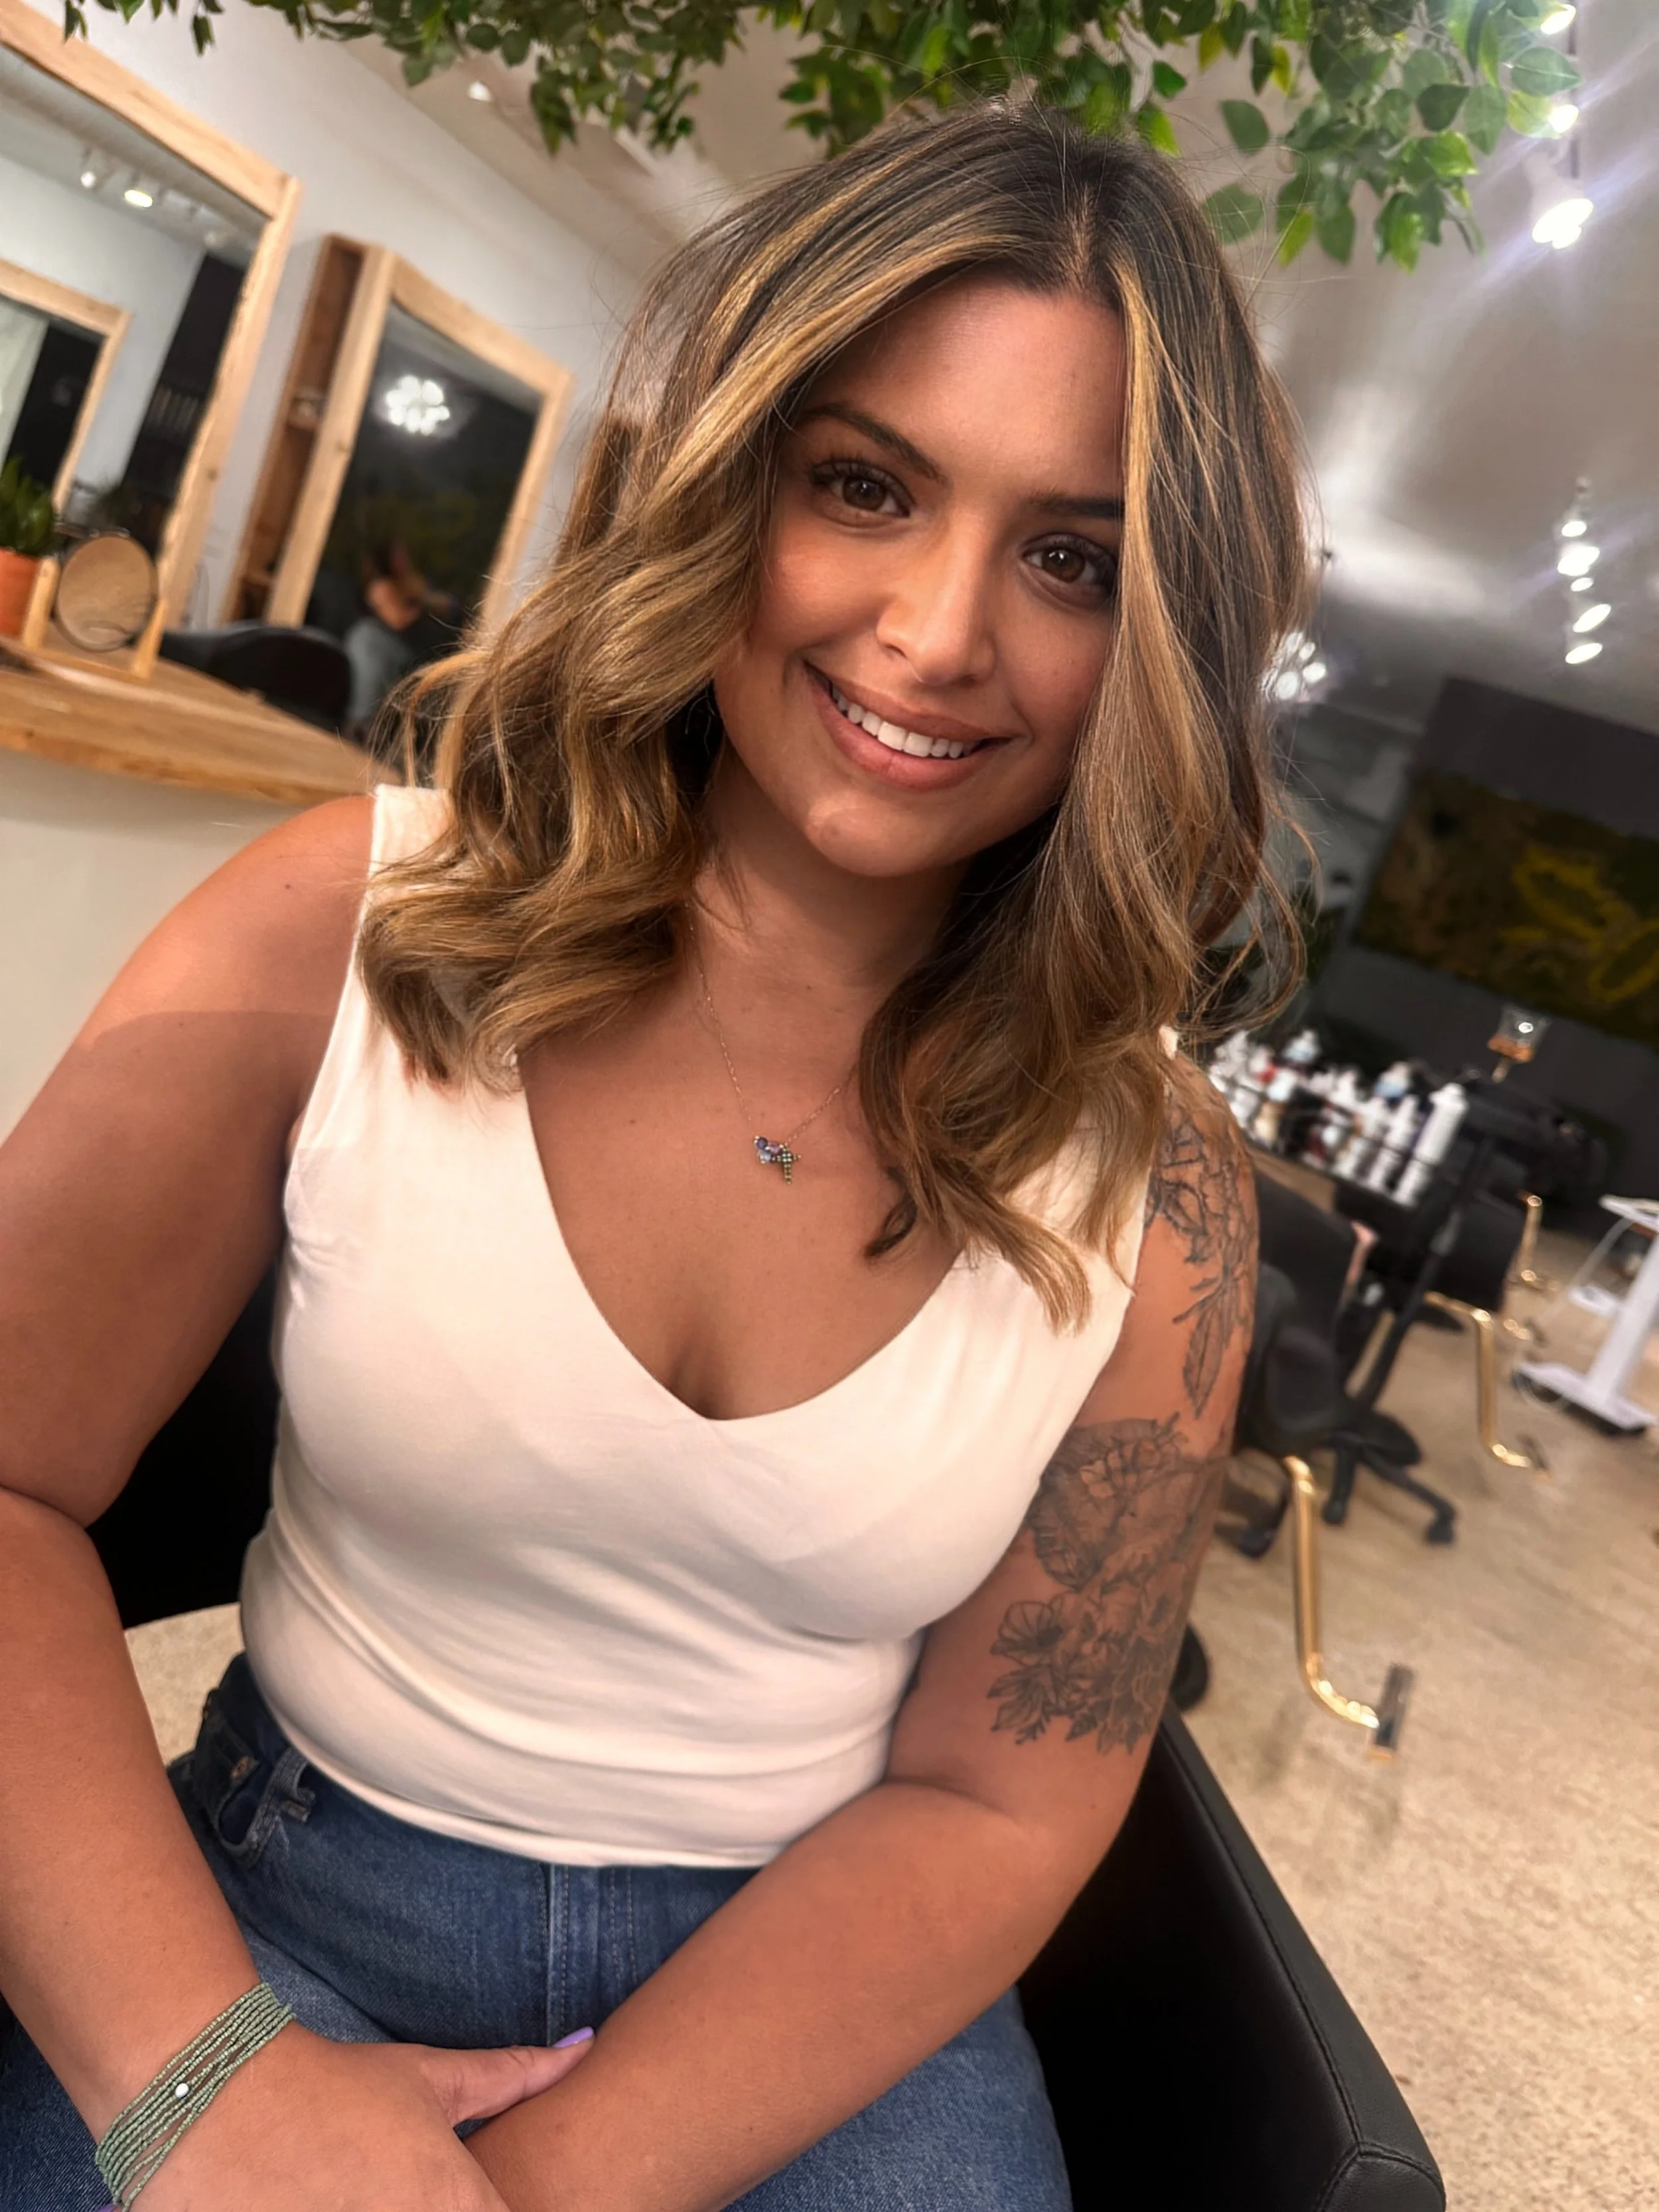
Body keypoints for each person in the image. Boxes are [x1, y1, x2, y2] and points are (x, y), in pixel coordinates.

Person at [0, 101, 1303, 2212]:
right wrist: (204, 2085)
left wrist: (545, 2183)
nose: (937, 629)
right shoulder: (345, 925)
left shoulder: (1163, 1201)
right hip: (263, 1922)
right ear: (730, 484)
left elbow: (993, 1797)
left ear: (1159, 637)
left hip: (810, 2006)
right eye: (865, 486)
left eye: (1070, 556)